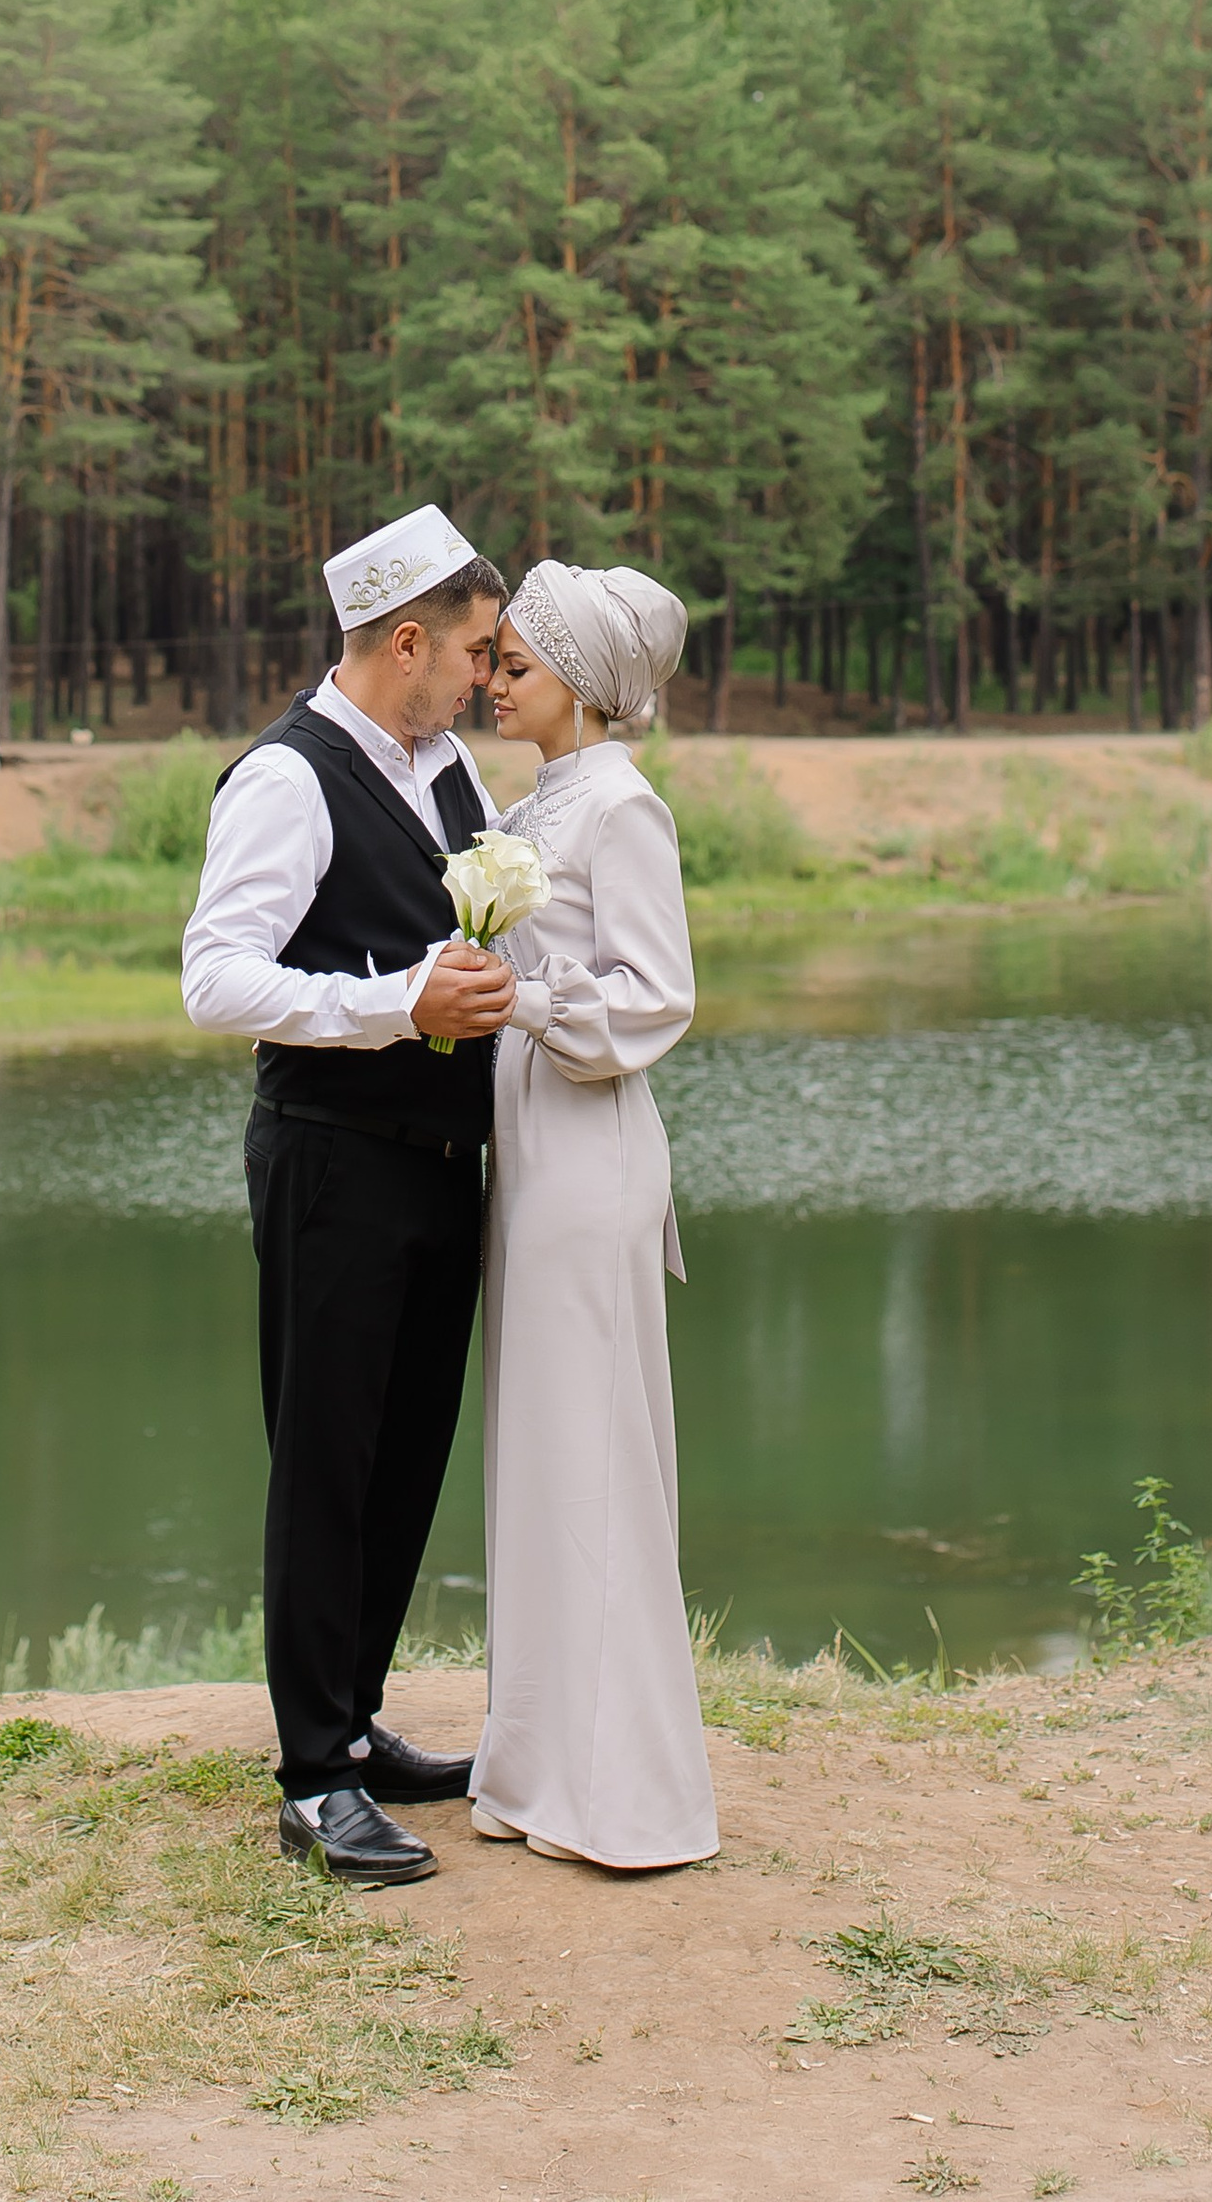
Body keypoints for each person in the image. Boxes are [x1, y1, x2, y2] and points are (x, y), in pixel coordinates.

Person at [181, 506, 513, 1887]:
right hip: (332, 1164)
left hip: (443, 1169)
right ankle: (313, 1778)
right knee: (326, 1465)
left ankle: (361, 1725)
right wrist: (399, 1002)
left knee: (402, 1459)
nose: (490, 679)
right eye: (478, 653)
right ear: (408, 640)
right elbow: (217, 978)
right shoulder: (288, 778)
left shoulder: (448, 770)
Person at [470, 562, 718, 1873]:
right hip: (531, 1153)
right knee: (543, 1455)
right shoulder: (544, 794)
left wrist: (526, 1002)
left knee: (596, 1460)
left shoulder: (623, 807)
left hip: (589, 1156)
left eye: (514, 663)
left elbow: (657, 996)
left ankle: (629, 1800)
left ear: (581, 680)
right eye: (495, 660)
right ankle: (537, 1766)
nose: (492, 680)